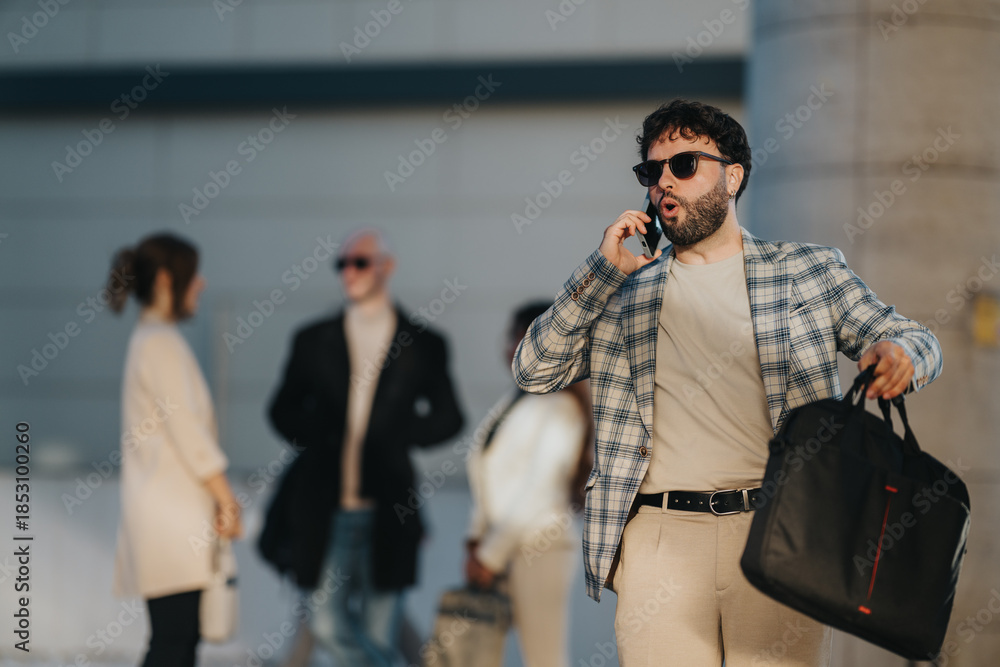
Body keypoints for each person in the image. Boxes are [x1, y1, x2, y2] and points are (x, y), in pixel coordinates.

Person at [512, 99, 943, 666]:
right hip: (658, 539)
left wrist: (901, 356)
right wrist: (599, 272)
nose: (664, 181)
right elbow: (534, 369)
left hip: (780, 532)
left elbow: (915, 337)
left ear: (732, 175)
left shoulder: (806, 270)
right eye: (652, 171)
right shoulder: (622, 292)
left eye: (684, 165)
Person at [259, 228, 464, 667]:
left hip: (389, 505)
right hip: (324, 505)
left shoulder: (424, 344)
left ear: (386, 267)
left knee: (378, 626)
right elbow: (281, 409)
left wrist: (395, 434)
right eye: (342, 264)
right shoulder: (313, 339)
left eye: (360, 262)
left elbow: (450, 417)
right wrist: (322, 433)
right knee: (325, 622)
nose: (348, 272)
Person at [109, 232, 243, 667]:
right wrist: (226, 499)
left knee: (174, 641)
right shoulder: (160, 344)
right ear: (167, 280)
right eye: (193, 274)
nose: (200, 284)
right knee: (173, 643)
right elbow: (189, 432)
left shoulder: (150, 339)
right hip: (173, 525)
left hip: (164, 521)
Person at [464, 301, 593, 667]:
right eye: (509, 337)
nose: (508, 348)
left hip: (540, 548)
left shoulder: (560, 405)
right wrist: (476, 539)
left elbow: (539, 489)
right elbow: (488, 471)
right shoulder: (517, 398)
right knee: (482, 654)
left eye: (518, 338)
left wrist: (490, 553)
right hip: (500, 547)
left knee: (544, 659)